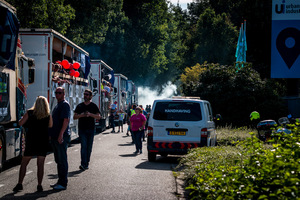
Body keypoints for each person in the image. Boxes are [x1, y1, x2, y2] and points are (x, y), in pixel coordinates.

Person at [13, 96, 53, 192]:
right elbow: (51, 125)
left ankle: (20, 184)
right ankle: (39, 185)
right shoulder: (48, 115)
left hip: (31, 141)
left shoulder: (30, 113)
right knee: (40, 164)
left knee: (24, 163)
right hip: (42, 141)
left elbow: (20, 123)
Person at [49, 87, 71, 190]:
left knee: (62, 159)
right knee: (58, 160)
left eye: (59, 93)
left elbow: (66, 120)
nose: (57, 94)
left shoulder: (64, 105)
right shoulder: (58, 105)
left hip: (60, 136)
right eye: (56, 93)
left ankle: (63, 183)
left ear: (64, 94)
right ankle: (60, 180)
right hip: (55, 136)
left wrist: (61, 134)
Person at [74, 89, 101, 170]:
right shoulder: (79, 106)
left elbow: (99, 116)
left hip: (91, 129)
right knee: (83, 146)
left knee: (89, 147)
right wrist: (82, 115)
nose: (85, 96)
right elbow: (74, 117)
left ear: (90, 96)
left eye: (87, 94)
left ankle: (86, 163)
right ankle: (83, 164)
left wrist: (90, 114)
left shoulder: (93, 106)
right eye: (84, 94)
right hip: (82, 129)